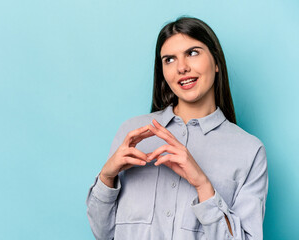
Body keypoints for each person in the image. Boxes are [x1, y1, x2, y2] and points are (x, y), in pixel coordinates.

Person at [86, 16, 268, 240]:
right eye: (169, 59)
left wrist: (202, 184)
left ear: (217, 61)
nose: (182, 67)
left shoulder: (249, 151)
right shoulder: (132, 132)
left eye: (193, 53)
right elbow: (103, 234)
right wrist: (106, 176)